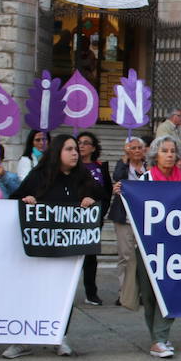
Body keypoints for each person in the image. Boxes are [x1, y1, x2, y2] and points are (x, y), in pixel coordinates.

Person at [4, 134, 103, 358]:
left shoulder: (83, 177)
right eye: (69, 149)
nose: (75, 153)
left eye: (76, 149)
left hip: (67, 250)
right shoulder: (39, 176)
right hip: (40, 249)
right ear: (57, 152)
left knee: (63, 295)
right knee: (31, 293)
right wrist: (26, 201)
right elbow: (15, 199)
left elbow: (100, 198)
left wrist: (91, 201)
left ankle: (59, 336)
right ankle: (22, 338)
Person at [118, 135, 181, 357]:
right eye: (164, 151)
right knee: (149, 295)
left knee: (172, 292)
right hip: (149, 247)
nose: (169, 155)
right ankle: (158, 337)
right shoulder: (144, 180)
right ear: (155, 155)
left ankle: (160, 337)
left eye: (172, 151)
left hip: (176, 247)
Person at [110, 135, 150, 310]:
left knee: (142, 256)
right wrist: (124, 160)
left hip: (143, 216)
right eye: (132, 148)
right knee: (126, 255)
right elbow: (117, 176)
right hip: (124, 216)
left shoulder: (148, 167)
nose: (136, 151)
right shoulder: (123, 166)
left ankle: (140, 291)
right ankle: (124, 292)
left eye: (139, 148)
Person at [77, 131, 114, 306]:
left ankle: (91, 292)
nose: (81, 145)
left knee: (90, 255)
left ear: (93, 148)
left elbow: (106, 193)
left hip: (94, 217)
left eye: (85, 143)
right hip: (73, 216)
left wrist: (101, 212)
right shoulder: (72, 167)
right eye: (79, 142)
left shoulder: (100, 167)